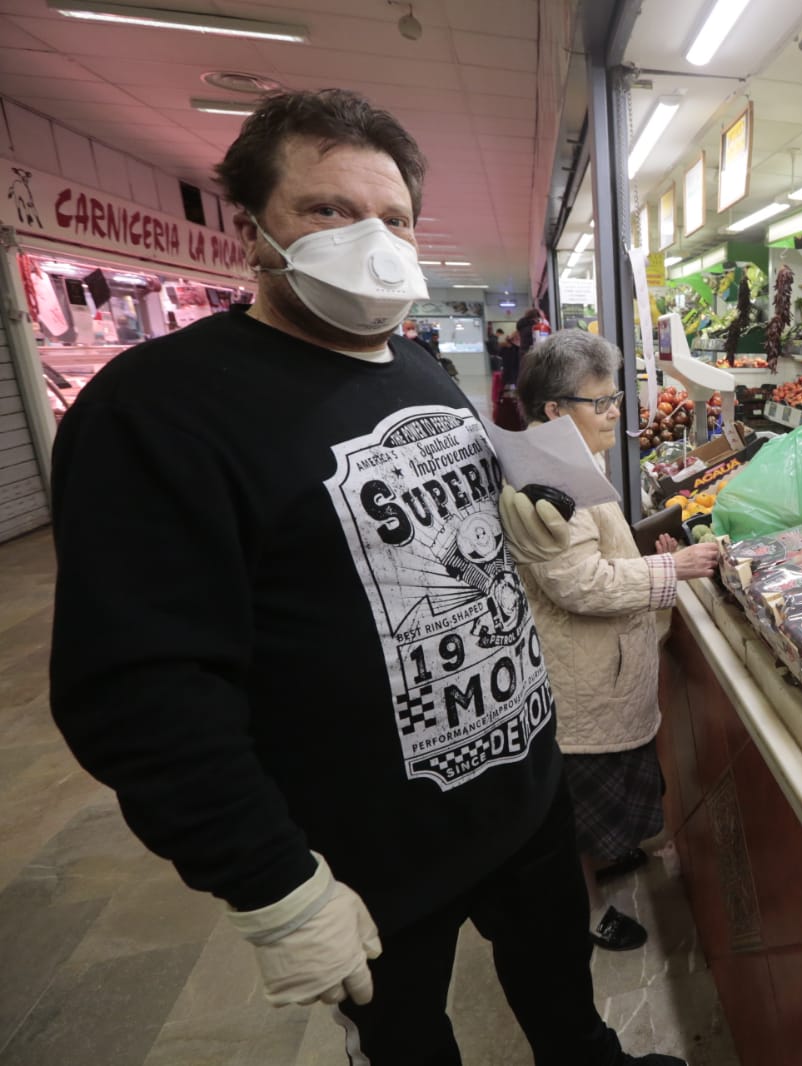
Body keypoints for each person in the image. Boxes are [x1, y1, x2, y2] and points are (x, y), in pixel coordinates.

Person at [48, 88, 684, 1066]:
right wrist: (273, 882)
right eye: (328, 210)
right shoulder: (161, 408)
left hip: (522, 796)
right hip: (370, 846)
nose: (370, 237)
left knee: (564, 995)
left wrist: (525, 513)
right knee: (409, 1041)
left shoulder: (418, 368)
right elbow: (139, 688)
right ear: (252, 228)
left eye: (392, 217)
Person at [506, 329, 721, 952]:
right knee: (575, 818)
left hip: (603, 671)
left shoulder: (568, 462)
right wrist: (670, 570)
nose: (614, 412)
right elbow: (577, 582)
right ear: (554, 411)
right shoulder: (544, 482)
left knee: (601, 807)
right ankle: (585, 910)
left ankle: (599, 867)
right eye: (600, 402)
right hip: (581, 684)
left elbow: (595, 550)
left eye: (613, 397)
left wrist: (639, 547)